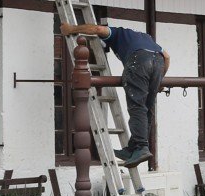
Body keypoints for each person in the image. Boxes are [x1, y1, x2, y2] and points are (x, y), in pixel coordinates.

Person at [62, 21, 169, 166]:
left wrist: (71, 29)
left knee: (137, 106)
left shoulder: (116, 33)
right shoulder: (144, 37)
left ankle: (141, 147)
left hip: (139, 61)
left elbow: (98, 29)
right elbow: (166, 56)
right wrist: (159, 80)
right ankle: (132, 148)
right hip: (158, 62)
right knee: (146, 108)